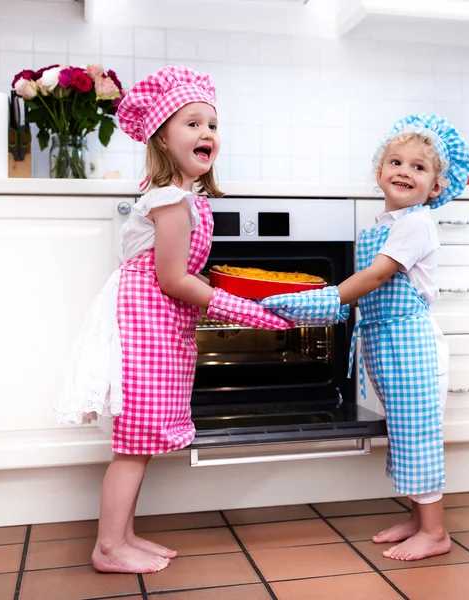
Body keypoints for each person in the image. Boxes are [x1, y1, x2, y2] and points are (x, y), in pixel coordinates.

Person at [54, 66, 290, 574]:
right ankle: (109, 547)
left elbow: (189, 274)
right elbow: (175, 281)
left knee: (140, 440)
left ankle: (123, 536)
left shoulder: (189, 199)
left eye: (213, 124)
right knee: (133, 444)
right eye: (192, 123)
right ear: (163, 136)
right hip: (145, 325)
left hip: (159, 325)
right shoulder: (170, 201)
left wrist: (247, 297)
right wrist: (245, 311)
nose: (207, 133)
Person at [263, 113, 469, 562]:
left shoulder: (416, 223)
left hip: (409, 345)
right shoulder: (383, 224)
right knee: (403, 431)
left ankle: (436, 532)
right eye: (395, 161)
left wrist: (322, 300)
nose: (404, 171)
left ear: (436, 187)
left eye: (419, 167)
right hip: (386, 344)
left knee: (417, 434)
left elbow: (377, 276)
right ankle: (419, 520)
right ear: (379, 172)